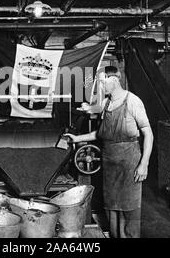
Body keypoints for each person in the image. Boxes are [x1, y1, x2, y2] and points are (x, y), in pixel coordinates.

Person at [65, 66, 153, 238]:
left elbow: (148, 132)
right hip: (109, 160)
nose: (101, 86)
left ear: (114, 80)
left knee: (130, 207)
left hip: (129, 161)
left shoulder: (133, 101)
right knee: (111, 206)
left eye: (102, 82)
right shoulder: (106, 104)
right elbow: (100, 133)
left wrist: (144, 164)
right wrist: (76, 138)